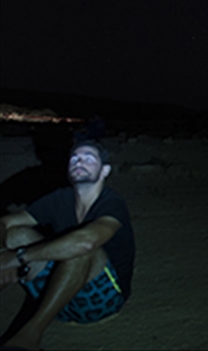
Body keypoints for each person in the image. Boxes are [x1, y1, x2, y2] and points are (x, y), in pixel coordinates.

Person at [0, 140, 135, 350]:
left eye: (89, 158)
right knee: (16, 235)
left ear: (104, 170)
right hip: (57, 298)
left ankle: (28, 338)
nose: (79, 162)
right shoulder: (59, 198)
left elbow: (85, 243)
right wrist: (2, 254)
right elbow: (4, 223)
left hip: (101, 303)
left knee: (81, 249)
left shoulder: (112, 203)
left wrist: (17, 257)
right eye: (75, 158)